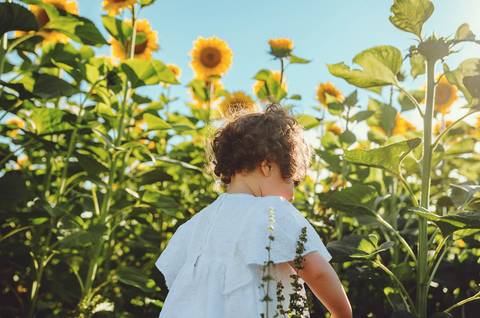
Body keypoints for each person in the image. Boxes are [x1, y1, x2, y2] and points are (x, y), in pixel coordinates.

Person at [155, 103, 352, 317]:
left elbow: (181, 285)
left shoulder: (195, 224)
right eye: (291, 181)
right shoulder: (272, 212)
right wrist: (342, 313)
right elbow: (318, 272)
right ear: (267, 167)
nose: (292, 194)